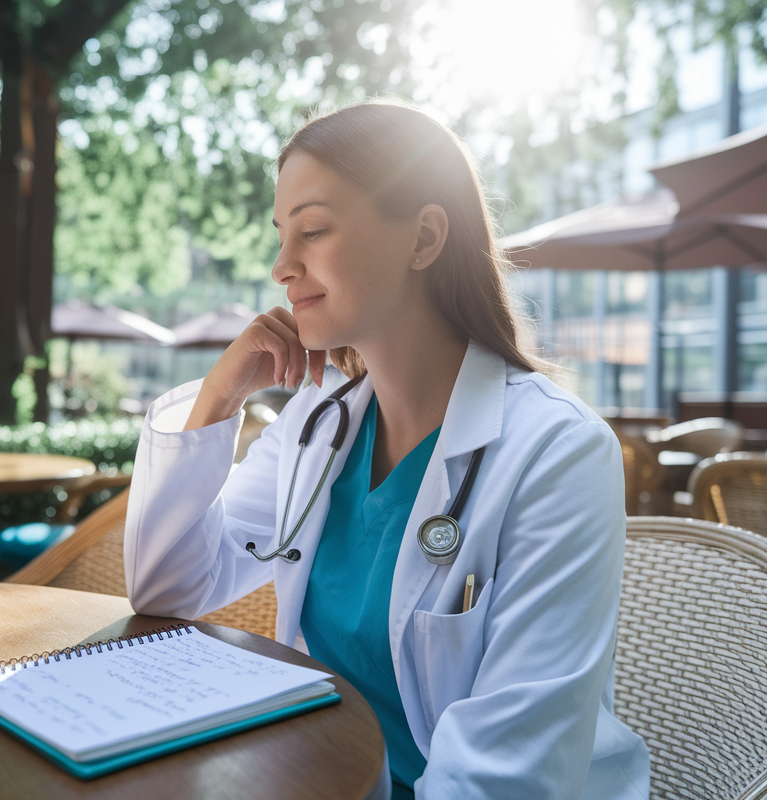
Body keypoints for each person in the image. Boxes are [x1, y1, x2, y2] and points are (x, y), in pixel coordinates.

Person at [124, 101, 649, 799]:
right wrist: (219, 396)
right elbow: (167, 589)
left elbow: (507, 779)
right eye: (281, 236)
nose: (282, 266)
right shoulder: (323, 419)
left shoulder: (560, 454)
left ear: (425, 238)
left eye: (312, 230)